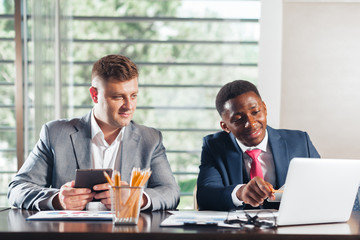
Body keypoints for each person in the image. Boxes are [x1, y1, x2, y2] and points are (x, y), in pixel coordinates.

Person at [8, 54, 180, 211]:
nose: (129, 106)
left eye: (133, 95)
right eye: (118, 97)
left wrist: (137, 198)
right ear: (95, 95)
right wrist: (57, 199)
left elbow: (171, 192)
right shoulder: (55, 134)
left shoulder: (150, 139)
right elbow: (18, 188)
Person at [196, 80, 320, 211]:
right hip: (238, 229)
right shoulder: (214, 146)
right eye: (238, 119)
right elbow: (206, 196)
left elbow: (321, 184)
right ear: (225, 126)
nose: (251, 123)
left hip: (288, 227)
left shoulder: (300, 141)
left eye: (255, 112)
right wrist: (240, 193)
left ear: (265, 109)